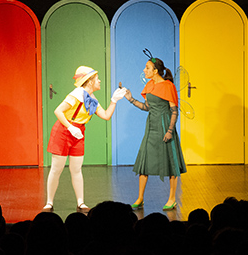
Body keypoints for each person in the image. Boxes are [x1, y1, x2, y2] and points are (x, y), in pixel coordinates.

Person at [45, 66, 125, 211]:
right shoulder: (77, 94)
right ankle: (49, 202)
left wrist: (114, 101)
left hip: (79, 133)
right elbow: (58, 111)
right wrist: (70, 127)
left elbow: (106, 115)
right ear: (89, 81)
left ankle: (80, 202)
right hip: (63, 131)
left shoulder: (92, 99)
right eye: (97, 79)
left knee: (76, 169)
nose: (99, 81)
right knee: (56, 169)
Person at [125, 54, 186, 211]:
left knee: (170, 163)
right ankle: (140, 198)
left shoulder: (168, 86)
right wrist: (131, 99)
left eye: (147, 68)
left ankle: (172, 198)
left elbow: (174, 111)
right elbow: (147, 107)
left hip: (165, 126)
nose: (144, 70)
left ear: (156, 71)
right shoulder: (150, 85)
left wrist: (170, 131)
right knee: (144, 162)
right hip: (151, 126)